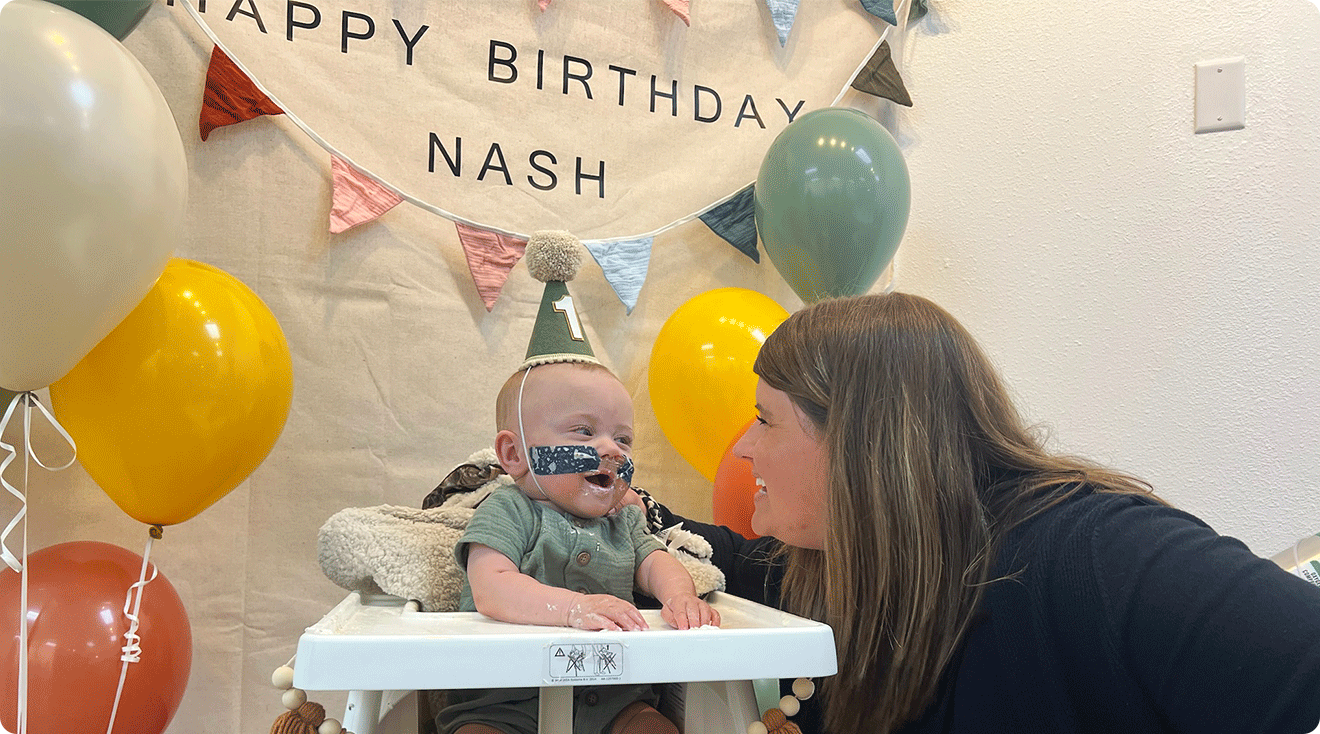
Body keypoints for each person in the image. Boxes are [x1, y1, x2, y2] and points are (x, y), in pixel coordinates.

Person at [646, 291, 1320, 734]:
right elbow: (660, 538)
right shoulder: (823, 569)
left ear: (859, 439)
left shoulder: (1096, 551)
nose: (743, 449)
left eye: (765, 419)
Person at [438, 231, 719, 734]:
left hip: (615, 701)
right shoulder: (508, 511)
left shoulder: (624, 520)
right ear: (514, 454)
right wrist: (572, 609)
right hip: (503, 705)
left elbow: (658, 565)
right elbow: (491, 590)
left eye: (623, 439)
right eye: (585, 432)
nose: (611, 449)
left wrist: (680, 596)